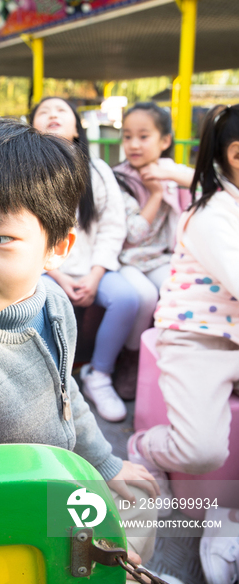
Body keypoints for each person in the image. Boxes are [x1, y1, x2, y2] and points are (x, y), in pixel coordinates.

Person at [0, 118, 161, 567]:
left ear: (57, 246)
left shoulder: (53, 301)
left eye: (0, 239)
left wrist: (104, 461)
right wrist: (83, 538)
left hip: (58, 483)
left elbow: (64, 391)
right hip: (15, 533)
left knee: (145, 507)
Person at [128, 105, 239, 490]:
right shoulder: (212, 213)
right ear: (236, 156)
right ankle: (144, 446)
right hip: (198, 340)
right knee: (202, 452)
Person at [30, 97, 139, 422]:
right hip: (47, 270)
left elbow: (112, 227)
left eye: (61, 110)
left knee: (127, 298)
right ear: (30, 127)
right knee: (45, 301)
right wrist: (58, 274)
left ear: (77, 127)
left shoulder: (98, 170)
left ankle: (99, 375)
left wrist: (95, 275)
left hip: (95, 267)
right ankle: (50, 384)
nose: (52, 114)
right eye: (43, 111)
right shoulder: (23, 174)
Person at [112, 102, 194, 400]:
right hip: (127, 260)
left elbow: (211, 190)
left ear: (165, 141)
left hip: (160, 257)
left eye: (143, 136)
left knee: (176, 290)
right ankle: (130, 360)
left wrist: (172, 178)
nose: (133, 144)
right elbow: (132, 236)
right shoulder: (118, 178)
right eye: (127, 136)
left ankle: (176, 363)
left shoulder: (174, 174)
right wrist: (157, 194)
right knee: (145, 296)